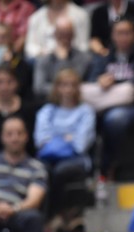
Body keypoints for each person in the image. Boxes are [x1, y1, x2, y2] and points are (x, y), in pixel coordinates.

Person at [83, 16, 134, 180]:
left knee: (115, 118)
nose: (123, 37)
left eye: (127, 33)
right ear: (112, 36)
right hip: (103, 106)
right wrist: (99, 81)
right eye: (119, 33)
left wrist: (114, 82)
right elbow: (92, 82)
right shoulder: (103, 59)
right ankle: (90, 169)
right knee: (84, 116)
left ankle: (110, 164)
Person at [34, 68, 95, 218]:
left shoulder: (85, 111)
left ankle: (53, 215)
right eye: (64, 85)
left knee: (60, 172)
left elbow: (81, 144)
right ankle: (47, 217)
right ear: (57, 87)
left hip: (76, 160)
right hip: (48, 158)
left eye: (72, 85)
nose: (68, 89)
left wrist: (56, 138)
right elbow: (41, 140)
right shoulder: (47, 110)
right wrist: (67, 138)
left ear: (78, 88)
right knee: (41, 171)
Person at [33, 16, 92, 100]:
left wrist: (63, 60)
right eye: (61, 33)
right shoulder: (43, 59)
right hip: (51, 102)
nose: (64, 37)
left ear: (73, 34)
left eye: (68, 33)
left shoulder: (85, 58)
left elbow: (74, 82)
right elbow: (39, 88)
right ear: (55, 34)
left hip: (77, 102)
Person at [25, 0, 90, 60]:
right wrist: (45, 53)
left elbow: (83, 46)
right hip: (44, 60)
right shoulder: (35, 18)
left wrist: (68, 52)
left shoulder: (81, 15)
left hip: (74, 59)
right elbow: (30, 48)